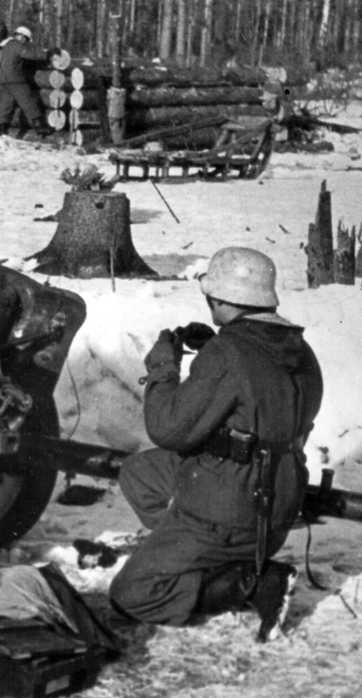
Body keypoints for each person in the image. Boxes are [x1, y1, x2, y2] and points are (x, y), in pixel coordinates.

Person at [108, 247, 324, 642]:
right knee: (140, 473)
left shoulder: (228, 355)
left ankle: (249, 579)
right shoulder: (299, 350)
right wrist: (215, 348)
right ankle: (197, 551)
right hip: (275, 495)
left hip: (232, 505)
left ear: (221, 300)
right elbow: (260, 396)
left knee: (131, 594)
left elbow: (168, 429)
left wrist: (163, 367)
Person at [0, 26, 50, 138]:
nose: (25, 41)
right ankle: (40, 127)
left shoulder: (7, 45)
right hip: (16, 79)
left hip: (4, 80)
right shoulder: (17, 45)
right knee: (28, 100)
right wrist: (47, 55)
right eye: (25, 39)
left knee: (5, 105)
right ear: (20, 36)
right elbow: (30, 55)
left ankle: (2, 130)